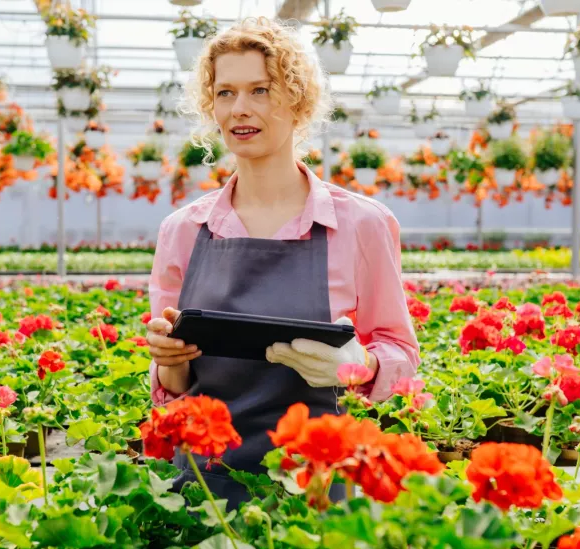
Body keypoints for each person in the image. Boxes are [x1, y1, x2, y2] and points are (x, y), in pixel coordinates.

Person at [145, 17, 420, 508]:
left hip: (316, 480)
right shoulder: (182, 231)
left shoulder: (361, 224)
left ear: (297, 99)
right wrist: (168, 363)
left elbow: (401, 351)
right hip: (206, 485)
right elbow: (174, 385)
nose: (240, 109)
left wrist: (363, 364)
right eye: (225, 93)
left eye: (261, 90)